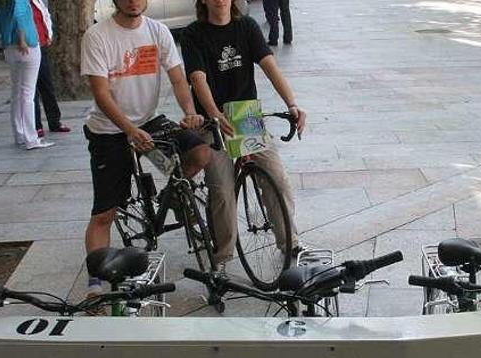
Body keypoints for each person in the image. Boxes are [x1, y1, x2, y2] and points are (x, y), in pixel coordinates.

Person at [81, 0, 212, 294]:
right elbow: (101, 94)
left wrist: (189, 111)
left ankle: (171, 195)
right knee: (105, 213)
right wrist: (129, 130)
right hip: (110, 131)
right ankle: (95, 283)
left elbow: (178, 78)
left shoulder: (158, 31)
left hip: (149, 123)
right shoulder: (98, 36)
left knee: (200, 153)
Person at [180, 0, 306, 269]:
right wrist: (214, 113)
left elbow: (270, 67)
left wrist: (292, 104)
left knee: (277, 178)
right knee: (223, 192)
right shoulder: (193, 33)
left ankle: (290, 243)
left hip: (246, 116)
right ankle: (222, 256)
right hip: (213, 122)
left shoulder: (246, 27)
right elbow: (198, 79)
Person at [0, 0, 54, 150]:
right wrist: (22, 38)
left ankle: (19, 134)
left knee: (16, 92)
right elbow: (19, 15)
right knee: (28, 93)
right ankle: (31, 138)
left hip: (9, 46)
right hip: (28, 45)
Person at [29, 0, 71, 137]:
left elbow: (45, 16)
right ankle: (35, 125)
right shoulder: (18, 4)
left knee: (46, 84)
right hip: (28, 47)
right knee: (32, 88)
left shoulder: (38, 1)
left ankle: (54, 121)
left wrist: (49, 34)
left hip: (41, 45)